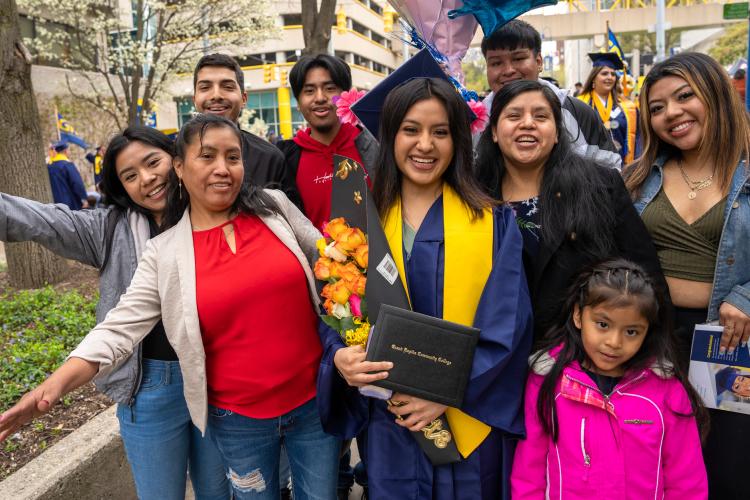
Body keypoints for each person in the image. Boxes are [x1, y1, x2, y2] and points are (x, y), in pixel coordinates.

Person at [0, 114, 340, 500]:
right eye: (207, 156)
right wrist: (54, 385)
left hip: (291, 399)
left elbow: (334, 265)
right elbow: (117, 328)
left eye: (232, 157)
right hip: (203, 405)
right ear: (182, 165)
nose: (222, 169)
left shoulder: (271, 208)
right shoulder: (152, 247)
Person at [323, 77, 534, 500]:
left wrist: (449, 393)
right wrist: (340, 358)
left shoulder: (492, 224)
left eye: (440, 132)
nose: (425, 145)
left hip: (465, 418)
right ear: (389, 136)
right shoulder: (356, 225)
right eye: (411, 129)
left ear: (458, 140)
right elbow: (336, 313)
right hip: (390, 420)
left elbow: (508, 328)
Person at [0, 126, 230, 500]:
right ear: (121, 188)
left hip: (216, 379)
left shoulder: (215, 211)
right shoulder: (108, 229)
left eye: (152, 162)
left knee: (219, 491)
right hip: (148, 386)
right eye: (130, 176)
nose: (147, 179)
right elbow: (39, 219)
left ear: (176, 159)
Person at [624, 52, 750, 499]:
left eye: (683, 97)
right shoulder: (638, 178)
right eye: (656, 108)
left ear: (714, 95)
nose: (671, 114)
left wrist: (747, 297)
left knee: (729, 466)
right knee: (657, 464)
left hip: (731, 343)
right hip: (652, 339)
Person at [475, 79, 665, 341]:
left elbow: (644, 272)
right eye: (514, 115)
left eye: (541, 116)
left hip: (579, 355)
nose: (527, 123)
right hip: (495, 353)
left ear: (556, 133)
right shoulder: (472, 194)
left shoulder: (600, 186)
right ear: (494, 131)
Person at [511, 259, 708, 499]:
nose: (614, 342)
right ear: (577, 315)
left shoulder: (666, 390)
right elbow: (528, 474)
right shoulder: (548, 380)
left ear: (647, 332)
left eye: (631, 332)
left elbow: (686, 480)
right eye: (603, 324)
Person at [479, 19, 620, 169]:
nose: (508, 71)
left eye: (518, 59)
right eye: (496, 63)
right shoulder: (473, 124)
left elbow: (611, 176)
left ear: (539, 61)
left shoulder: (578, 113)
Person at [278, 53, 380, 231]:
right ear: (298, 103)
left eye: (330, 88)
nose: (319, 98)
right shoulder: (284, 160)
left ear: (345, 95)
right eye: (309, 91)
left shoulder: (375, 147)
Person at [192, 53, 300, 207]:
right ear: (194, 99)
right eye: (205, 87)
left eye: (227, 87)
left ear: (243, 99)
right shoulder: (177, 158)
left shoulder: (270, 159)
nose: (216, 95)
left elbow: (291, 222)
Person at [577, 52, 641, 165]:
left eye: (612, 74)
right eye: (604, 73)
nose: (609, 77)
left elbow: (637, 140)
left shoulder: (627, 107)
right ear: (593, 78)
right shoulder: (580, 104)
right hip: (590, 170)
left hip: (622, 168)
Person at [47, 141, 88, 210]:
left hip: (54, 205)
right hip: (70, 204)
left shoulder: (49, 166)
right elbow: (77, 183)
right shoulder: (67, 165)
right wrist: (84, 198)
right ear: (65, 151)